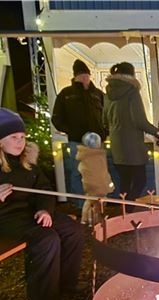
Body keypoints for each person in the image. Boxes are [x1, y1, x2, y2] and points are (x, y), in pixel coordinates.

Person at [0, 108, 85, 300]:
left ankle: (66, 282)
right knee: (46, 237)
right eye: (14, 137)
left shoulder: (27, 162)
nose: (20, 142)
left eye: (23, 137)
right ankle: (42, 299)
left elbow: (44, 189)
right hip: (0, 218)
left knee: (73, 229)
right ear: (0, 140)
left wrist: (45, 209)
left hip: (30, 213)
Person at [51, 59, 106, 209]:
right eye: (81, 76)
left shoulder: (98, 94)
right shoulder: (66, 94)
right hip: (77, 141)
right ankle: (82, 205)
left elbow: (107, 116)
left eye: (86, 76)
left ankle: (98, 203)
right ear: (75, 77)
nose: (84, 79)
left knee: (98, 172)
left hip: (97, 141)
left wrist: (104, 133)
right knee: (78, 172)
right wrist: (71, 131)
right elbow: (56, 118)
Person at [103, 62, 159, 203]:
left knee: (125, 182)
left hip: (116, 146)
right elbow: (139, 120)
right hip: (133, 147)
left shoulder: (108, 94)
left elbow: (104, 120)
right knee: (140, 180)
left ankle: (125, 210)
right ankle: (129, 207)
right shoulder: (132, 91)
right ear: (131, 75)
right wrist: (156, 131)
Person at [76, 132, 114, 224]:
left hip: (88, 183)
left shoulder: (84, 155)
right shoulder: (98, 156)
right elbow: (103, 172)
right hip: (100, 183)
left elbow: (81, 169)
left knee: (89, 200)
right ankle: (95, 219)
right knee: (100, 202)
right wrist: (110, 184)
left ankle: (85, 218)